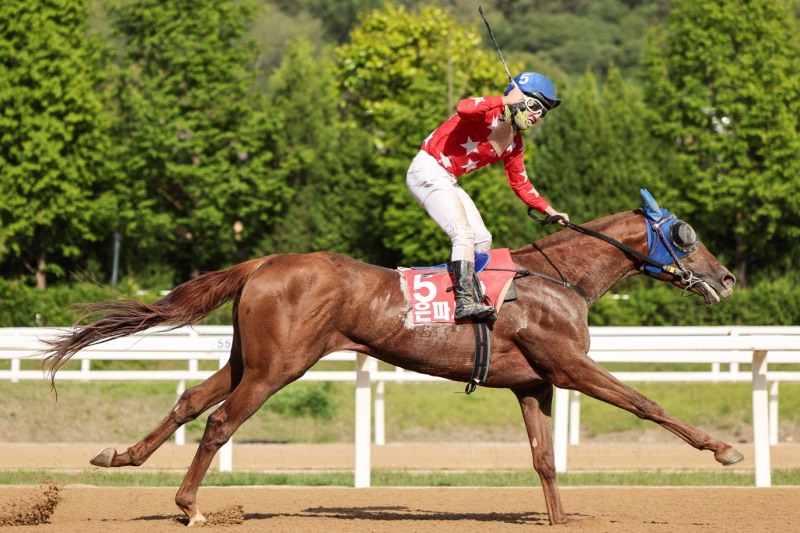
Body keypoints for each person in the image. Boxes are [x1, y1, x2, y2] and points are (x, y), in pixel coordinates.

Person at [406, 72, 569, 321]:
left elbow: (521, 184)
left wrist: (550, 210)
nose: (538, 116)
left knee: (482, 238)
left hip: (447, 179)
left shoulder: (514, 142)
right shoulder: (486, 113)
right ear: (518, 99)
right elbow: (464, 107)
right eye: (536, 106)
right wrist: (504, 101)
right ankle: (463, 301)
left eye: (544, 113)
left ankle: (470, 293)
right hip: (427, 169)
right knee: (463, 234)